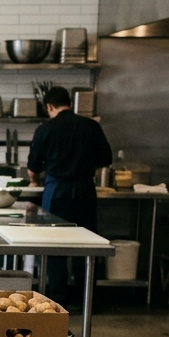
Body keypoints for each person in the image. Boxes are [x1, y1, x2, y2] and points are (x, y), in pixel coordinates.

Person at [27, 86, 113, 304]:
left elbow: (33, 166)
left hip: (56, 192)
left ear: (49, 106)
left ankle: (58, 299)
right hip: (84, 191)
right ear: (71, 104)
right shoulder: (91, 126)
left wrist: (34, 179)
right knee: (86, 245)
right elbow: (106, 158)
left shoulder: (45, 129)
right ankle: (86, 299)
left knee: (55, 247)